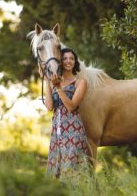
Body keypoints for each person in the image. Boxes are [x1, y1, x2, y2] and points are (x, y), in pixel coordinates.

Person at [39, 48, 90, 178]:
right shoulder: (54, 81)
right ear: (60, 61)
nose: (68, 61)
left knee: (73, 171)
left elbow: (72, 107)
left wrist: (58, 88)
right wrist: (47, 80)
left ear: (75, 62)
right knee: (56, 172)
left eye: (71, 58)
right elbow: (50, 107)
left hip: (74, 132)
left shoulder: (80, 82)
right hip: (57, 133)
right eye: (65, 58)